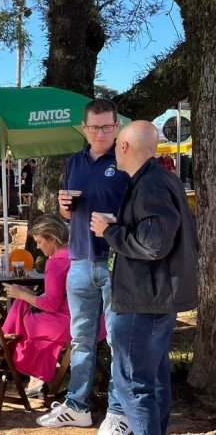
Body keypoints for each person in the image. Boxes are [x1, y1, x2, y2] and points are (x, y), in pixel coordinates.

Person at [90, 120, 198, 435]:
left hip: (144, 300)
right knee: (152, 381)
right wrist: (121, 224)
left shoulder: (150, 184)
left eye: (115, 144)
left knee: (133, 383)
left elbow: (153, 244)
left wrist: (109, 231)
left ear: (123, 147)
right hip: (155, 296)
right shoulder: (160, 180)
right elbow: (161, 234)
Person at [38, 98, 130, 430]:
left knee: (118, 339)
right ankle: (78, 406)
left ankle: (119, 412)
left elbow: (141, 210)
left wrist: (117, 219)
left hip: (116, 261)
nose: (101, 133)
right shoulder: (74, 162)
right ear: (85, 128)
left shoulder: (126, 159)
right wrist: (63, 206)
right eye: (95, 127)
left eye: (108, 126)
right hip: (79, 260)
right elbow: (67, 213)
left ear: (116, 126)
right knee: (80, 340)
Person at [2, 215, 104, 398]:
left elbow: (51, 304)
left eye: (40, 242)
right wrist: (30, 295)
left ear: (53, 238)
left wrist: (22, 294)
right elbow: (64, 296)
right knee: (24, 308)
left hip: (71, 324)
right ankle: (27, 369)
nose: (39, 247)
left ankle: (4, 348)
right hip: (96, 321)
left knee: (21, 310)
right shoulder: (78, 252)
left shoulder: (56, 262)